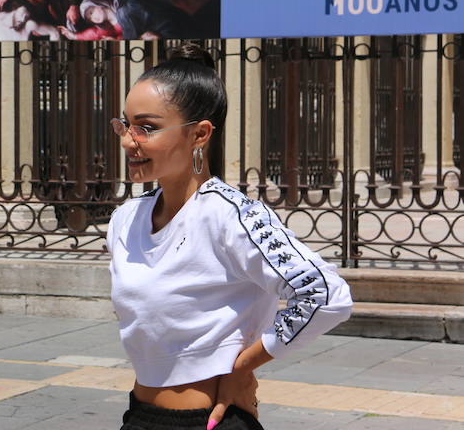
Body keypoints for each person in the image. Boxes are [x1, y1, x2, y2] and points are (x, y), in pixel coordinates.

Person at [107, 44, 352, 430]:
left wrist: (246, 364)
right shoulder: (125, 220)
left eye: (147, 127)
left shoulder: (232, 216)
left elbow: (326, 294)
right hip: (138, 416)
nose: (128, 140)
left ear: (199, 134)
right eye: (125, 124)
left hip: (208, 421)